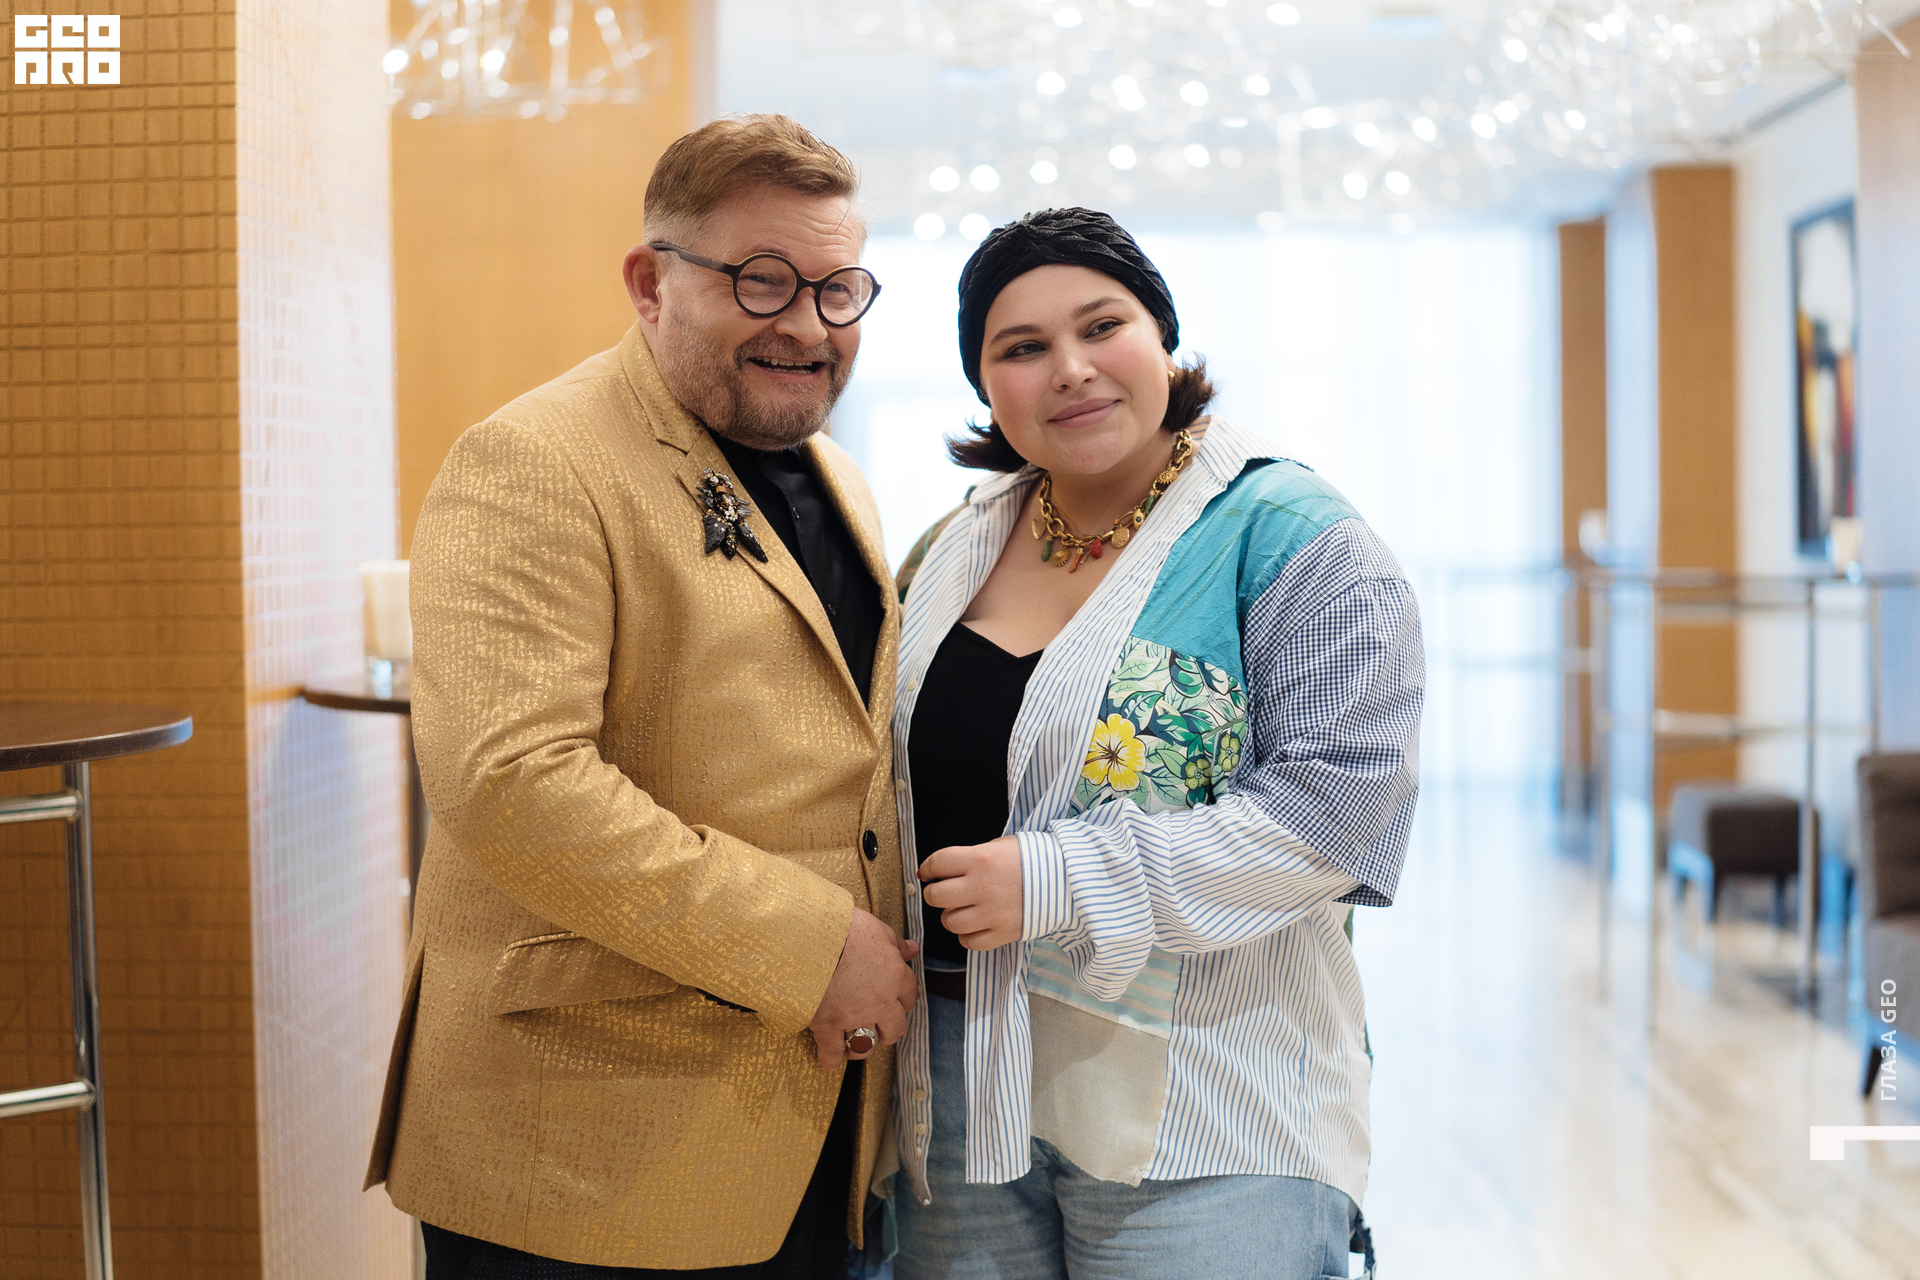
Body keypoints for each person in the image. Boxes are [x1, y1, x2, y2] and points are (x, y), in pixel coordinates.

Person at [363, 114, 919, 1279]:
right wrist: (816, 944)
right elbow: (513, 784)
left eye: (838, 289)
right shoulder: (535, 459)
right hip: (586, 1136)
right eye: (761, 280)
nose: (807, 324)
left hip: (803, 1114)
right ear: (649, 282)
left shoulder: (841, 476)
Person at [885, 208, 1423, 1279]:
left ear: (1164, 342)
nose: (1070, 369)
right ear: (986, 385)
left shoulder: (1294, 536)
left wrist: (1060, 877)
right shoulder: (952, 545)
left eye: (1103, 326)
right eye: (1022, 347)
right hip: (959, 1091)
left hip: (1212, 1103)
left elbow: (1340, 815)